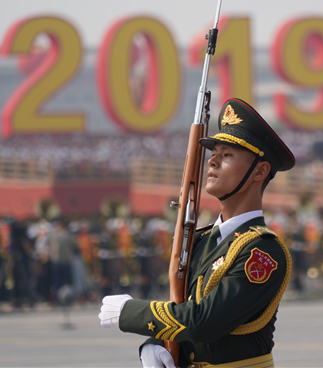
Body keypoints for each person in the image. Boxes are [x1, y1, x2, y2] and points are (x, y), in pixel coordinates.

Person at [99, 98, 296, 368]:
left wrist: (130, 313)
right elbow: (183, 306)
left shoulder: (262, 250)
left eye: (227, 155)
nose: (212, 161)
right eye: (214, 153)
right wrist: (156, 343)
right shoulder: (201, 240)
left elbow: (206, 321)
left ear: (260, 171)